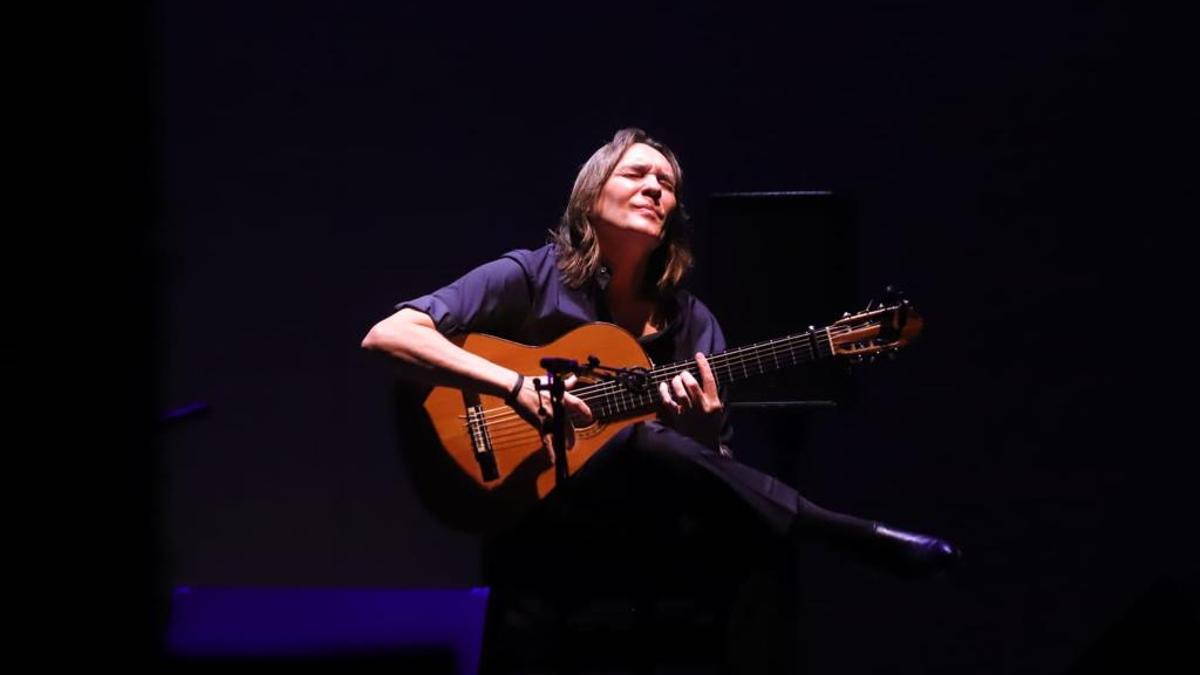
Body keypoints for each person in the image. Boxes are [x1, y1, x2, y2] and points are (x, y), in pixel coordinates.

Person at [362, 127, 959, 667]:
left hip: (646, 536)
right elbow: (389, 335)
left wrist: (701, 432)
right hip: (534, 510)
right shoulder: (529, 276)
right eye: (636, 174)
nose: (655, 189)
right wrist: (515, 386)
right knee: (634, 437)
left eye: (667, 184)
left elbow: (718, 476)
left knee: (646, 448)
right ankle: (841, 531)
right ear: (590, 195)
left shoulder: (693, 324)